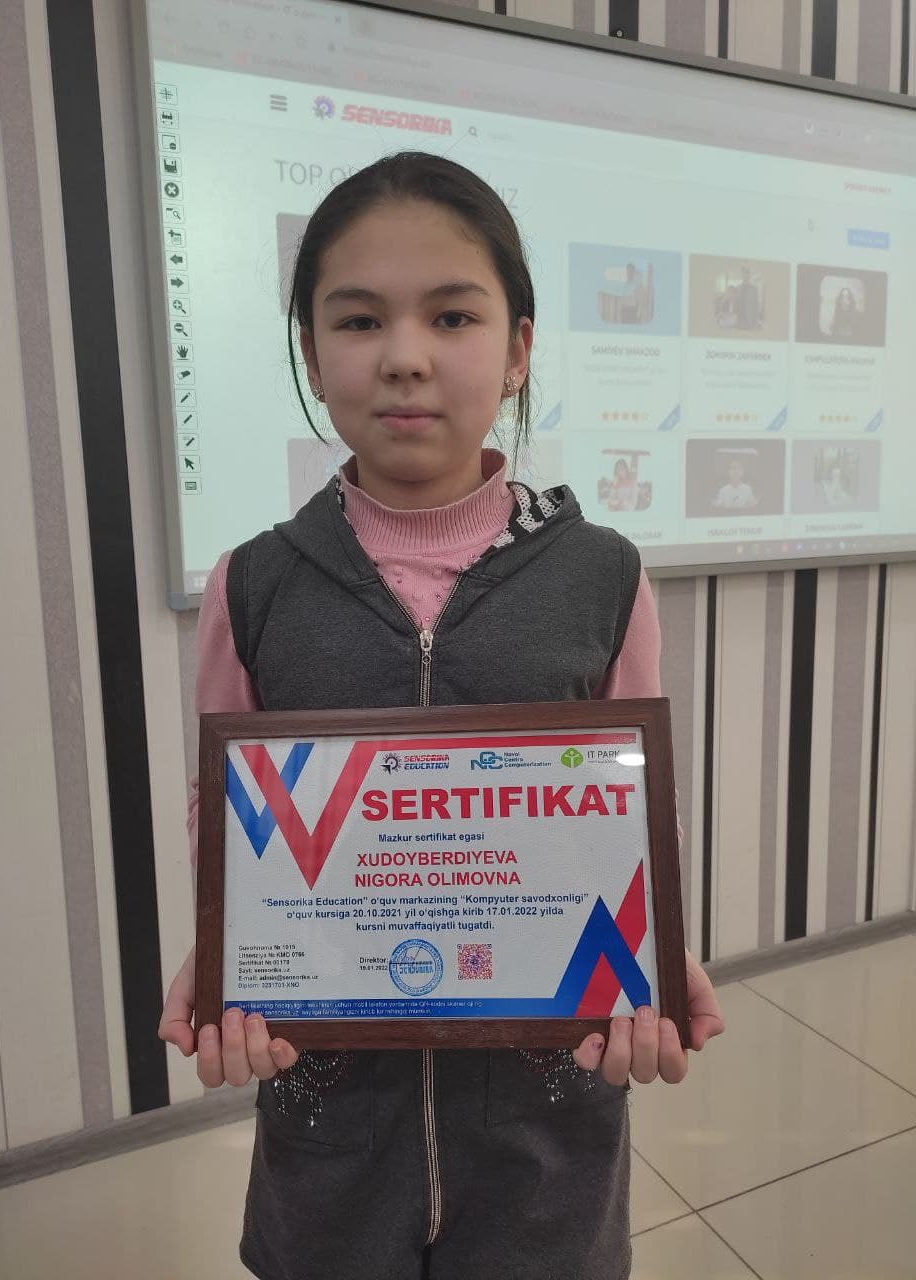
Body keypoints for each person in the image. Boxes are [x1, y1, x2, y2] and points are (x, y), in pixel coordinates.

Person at [159, 152, 724, 1280]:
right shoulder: (252, 583)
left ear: (517, 350)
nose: (405, 355)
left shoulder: (605, 574)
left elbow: (626, 813)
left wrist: (653, 953)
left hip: (542, 1129)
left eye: (453, 315)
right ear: (312, 354)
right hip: (331, 1118)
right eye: (359, 319)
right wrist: (225, 956)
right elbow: (222, 815)